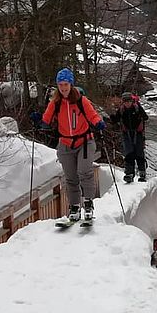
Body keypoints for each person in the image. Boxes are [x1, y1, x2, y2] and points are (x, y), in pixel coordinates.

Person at [42, 68, 105, 224]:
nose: (63, 88)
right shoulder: (55, 102)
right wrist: (40, 121)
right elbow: (47, 119)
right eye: (60, 85)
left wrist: (98, 123)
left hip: (84, 141)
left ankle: (88, 204)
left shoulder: (81, 100)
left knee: (85, 171)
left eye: (66, 84)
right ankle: (75, 207)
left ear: (71, 84)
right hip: (65, 144)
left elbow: (92, 114)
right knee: (71, 177)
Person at [109, 91, 148, 182]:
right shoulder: (122, 109)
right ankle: (129, 173)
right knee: (129, 153)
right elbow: (116, 119)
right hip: (126, 133)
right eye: (125, 101)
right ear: (123, 102)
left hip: (138, 133)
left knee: (139, 152)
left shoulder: (137, 108)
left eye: (129, 101)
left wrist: (141, 116)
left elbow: (145, 117)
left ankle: (142, 172)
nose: (127, 103)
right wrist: (112, 118)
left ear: (132, 101)